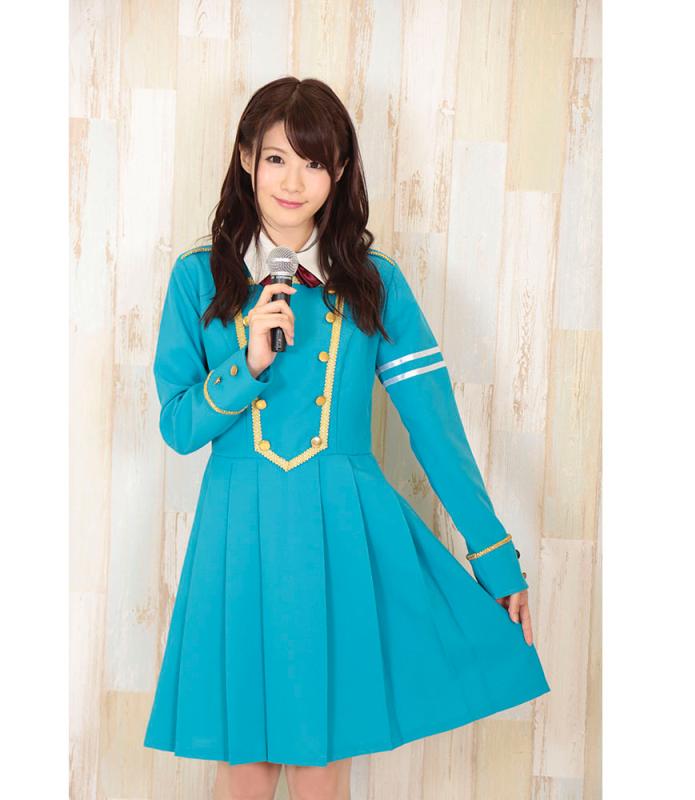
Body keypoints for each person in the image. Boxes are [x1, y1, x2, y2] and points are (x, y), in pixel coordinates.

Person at [143, 76, 550, 800]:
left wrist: (495, 556)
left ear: (339, 173)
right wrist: (247, 365)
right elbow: (178, 427)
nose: (292, 182)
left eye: (314, 163)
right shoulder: (196, 277)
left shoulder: (373, 283)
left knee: (321, 760)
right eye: (276, 159)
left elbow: (436, 431)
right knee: (245, 764)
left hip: (340, 531)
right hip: (238, 529)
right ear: (245, 159)